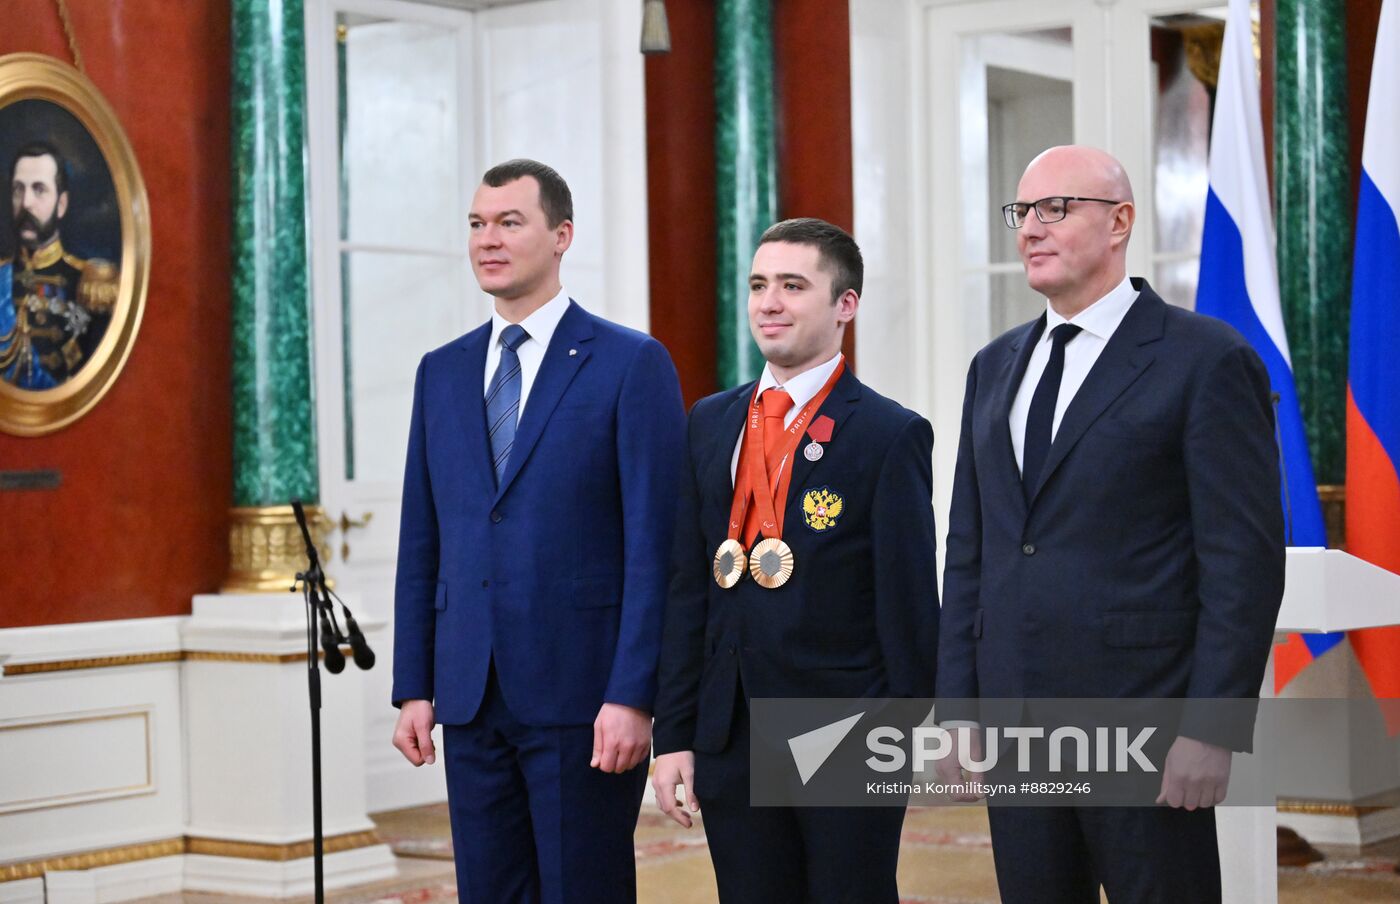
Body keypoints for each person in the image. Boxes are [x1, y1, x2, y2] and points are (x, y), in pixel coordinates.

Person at [936, 145, 1285, 903]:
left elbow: (1242, 564)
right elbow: (971, 551)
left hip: (1148, 729)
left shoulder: (1205, 360)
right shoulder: (993, 368)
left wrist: (1214, 727)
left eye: (1055, 208)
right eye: (1021, 212)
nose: (1031, 227)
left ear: (1120, 221)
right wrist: (959, 708)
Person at [390, 158, 686, 903]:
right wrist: (413, 685)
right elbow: (422, 539)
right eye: (477, 224)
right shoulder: (442, 372)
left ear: (562, 236)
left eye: (509, 222)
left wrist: (634, 695)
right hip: (469, 693)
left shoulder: (629, 364)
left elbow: (656, 547)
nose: (488, 240)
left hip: (583, 698)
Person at [651, 217, 939, 903]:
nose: (768, 302)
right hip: (730, 729)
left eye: (791, 285)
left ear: (846, 304)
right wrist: (676, 736)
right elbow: (689, 589)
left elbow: (907, 603)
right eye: (757, 285)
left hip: (844, 730)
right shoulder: (711, 421)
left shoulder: (888, 433)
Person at [3, 141, 118, 388]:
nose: (26, 203)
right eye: (18, 190)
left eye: (39, 190)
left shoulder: (91, 283)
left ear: (62, 204)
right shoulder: (2, 278)